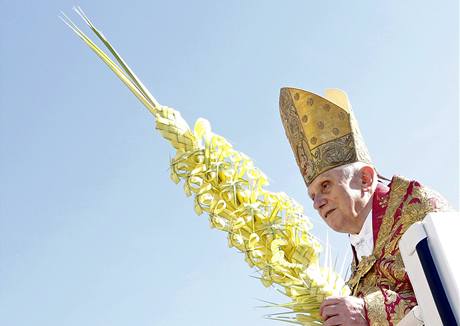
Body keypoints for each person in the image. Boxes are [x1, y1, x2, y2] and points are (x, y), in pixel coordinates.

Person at [279, 87, 451, 325]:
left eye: (326, 185)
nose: (318, 203)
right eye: (313, 196)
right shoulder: (358, 269)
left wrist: (368, 312)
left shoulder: (418, 207)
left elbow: (452, 292)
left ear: (365, 180)